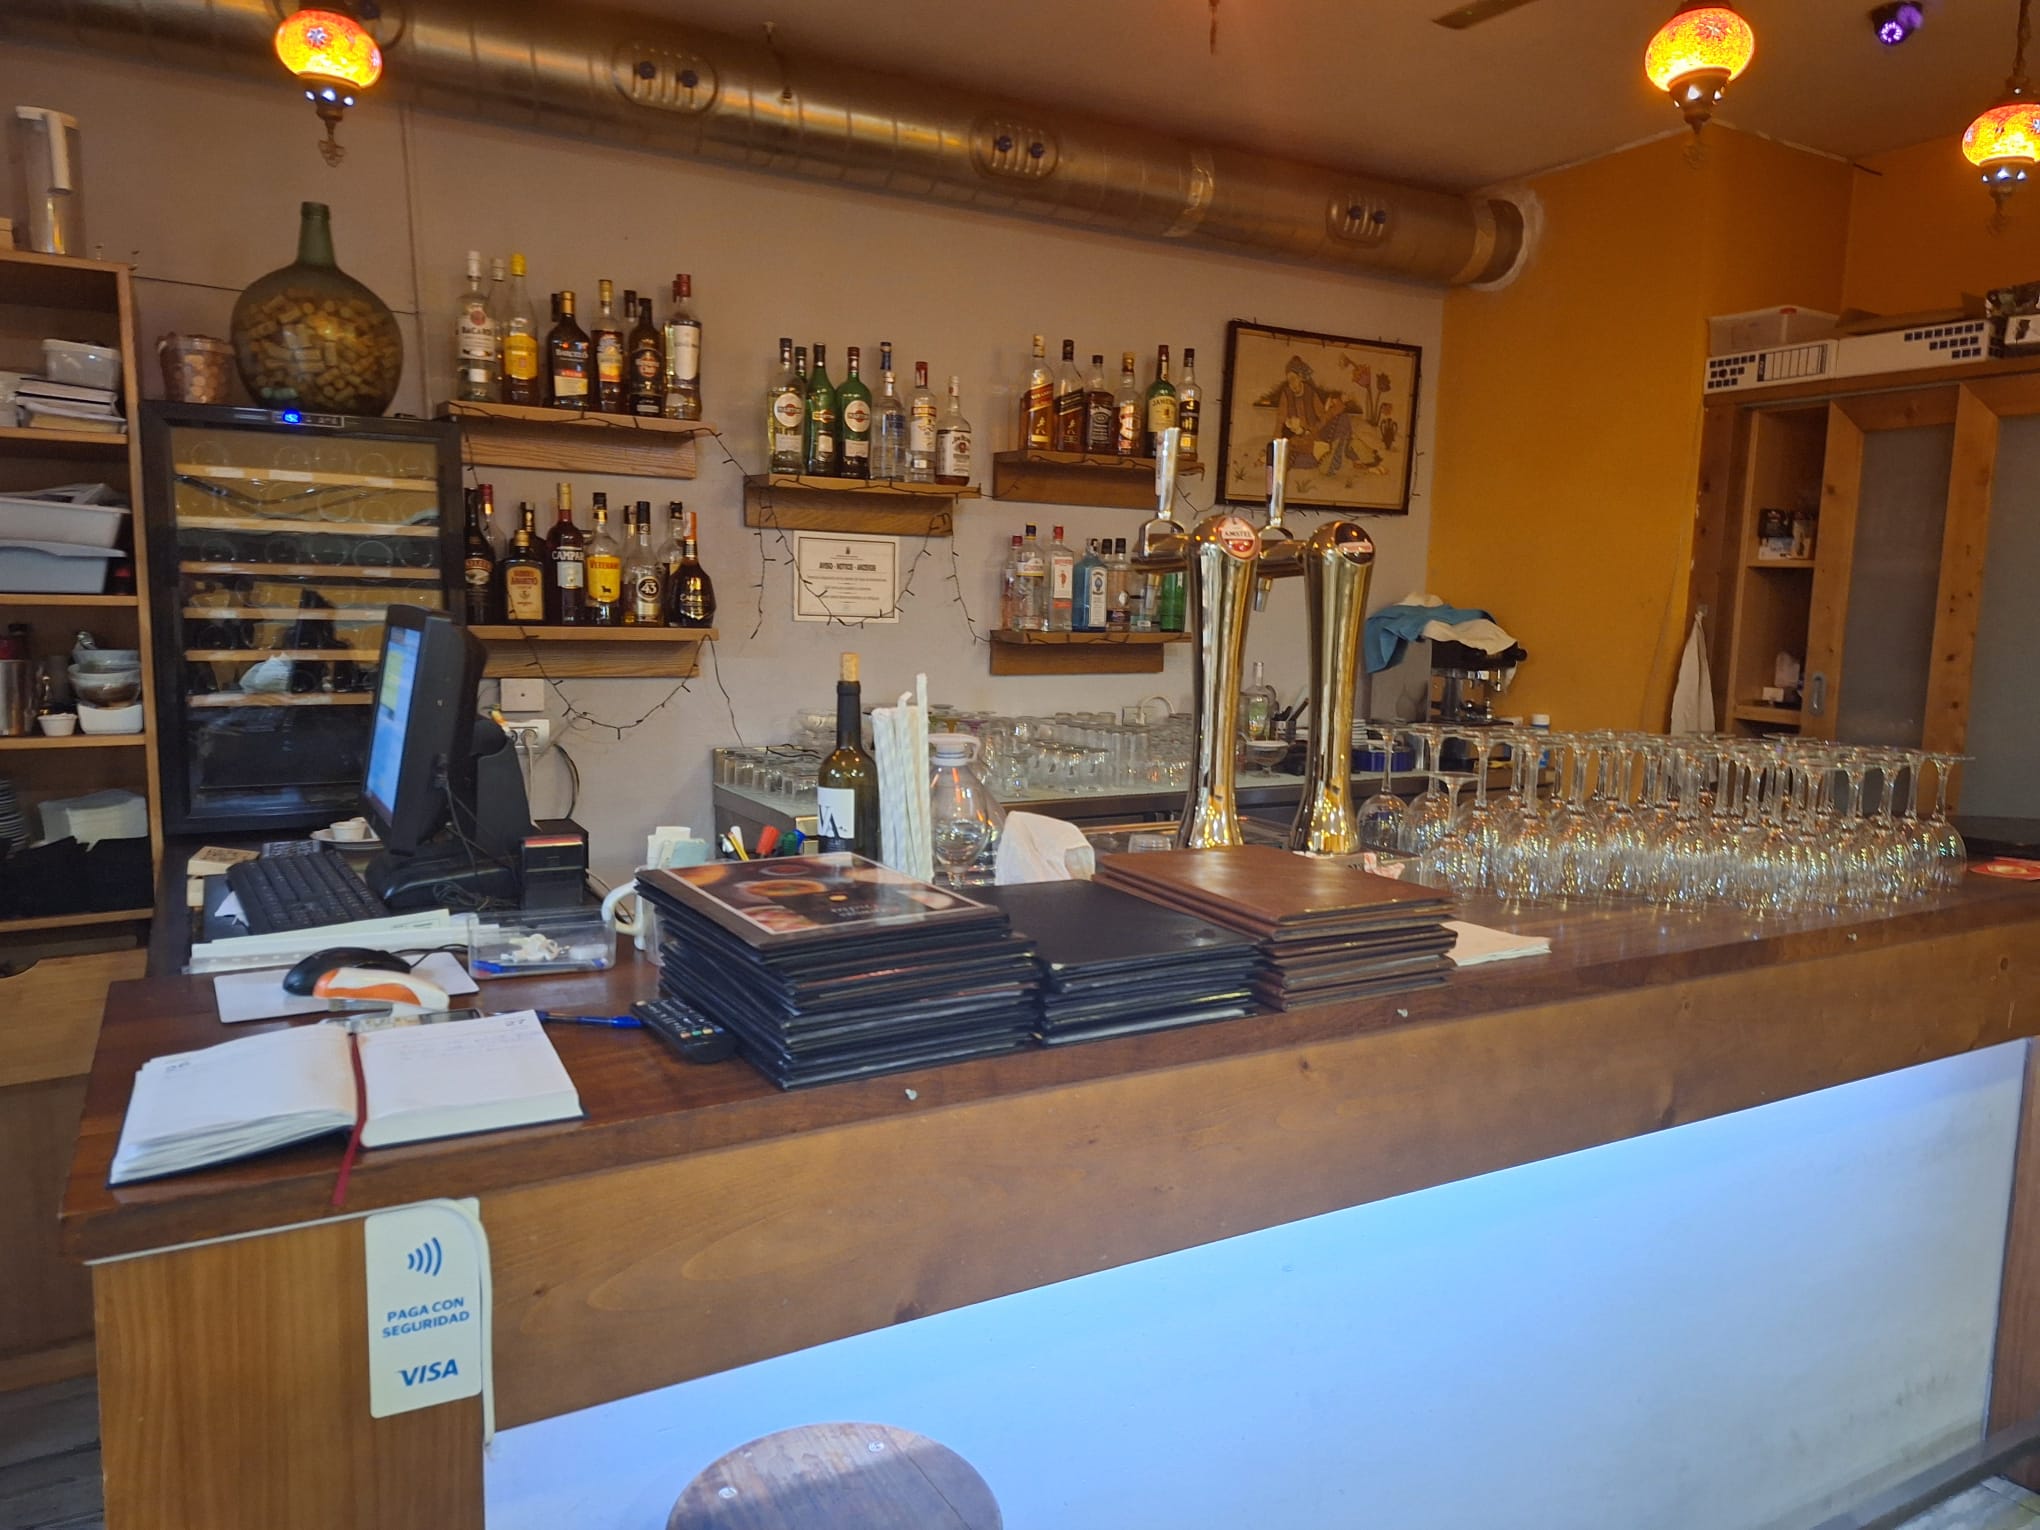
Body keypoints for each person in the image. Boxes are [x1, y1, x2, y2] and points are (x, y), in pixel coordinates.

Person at [1254, 354, 1357, 475]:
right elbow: (1280, 423)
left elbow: (1323, 417)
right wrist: (1273, 446)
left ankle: (1339, 456)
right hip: (1298, 442)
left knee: (1343, 419)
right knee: (1304, 459)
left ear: (1301, 377)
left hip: (1315, 435)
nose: (1292, 384)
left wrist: (1338, 406)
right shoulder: (1286, 395)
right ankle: (1326, 459)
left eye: (1293, 379)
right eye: (1289, 381)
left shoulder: (1310, 394)